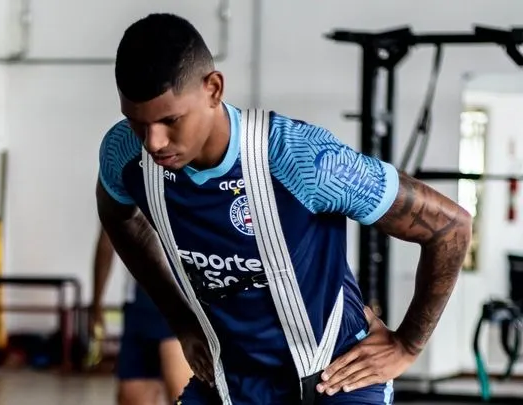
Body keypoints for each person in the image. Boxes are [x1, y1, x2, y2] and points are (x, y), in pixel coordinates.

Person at [95, 13, 472, 405]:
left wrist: (408, 345)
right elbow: (119, 220)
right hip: (233, 377)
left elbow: (450, 226)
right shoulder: (124, 154)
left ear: (213, 89)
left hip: (336, 375)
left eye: (170, 120)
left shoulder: (302, 159)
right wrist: (179, 318)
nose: (153, 142)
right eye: (137, 122)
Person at [90, 227, 193, 404]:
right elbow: (107, 240)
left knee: (183, 394)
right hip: (140, 302)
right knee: (133, 395)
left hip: (180, 300)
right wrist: (97, 303)